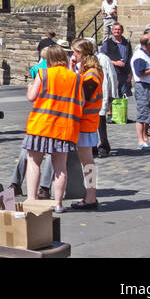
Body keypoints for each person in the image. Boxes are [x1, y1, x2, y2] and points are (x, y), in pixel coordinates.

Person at [23, 44, 81, 213]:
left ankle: (31, 199)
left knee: (34, 162)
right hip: (65, 126)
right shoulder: (75, 77)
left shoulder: (44, 74)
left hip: (42, 124)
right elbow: (81, 101)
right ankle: (58, 203)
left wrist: (28, 89)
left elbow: (32, 97)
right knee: (60, 167)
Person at [67, 39, 104, 210]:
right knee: (86, 161)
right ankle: (90, 195)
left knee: (87, 162)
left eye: (75, 52)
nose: (73, 55)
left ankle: (91, 196)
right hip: (87, 122)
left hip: (86, 122)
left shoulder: (91, 75)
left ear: (82, 53)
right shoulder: (89, 72)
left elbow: (82, 97)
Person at [131, 32, 150, 149]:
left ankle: (146, 138)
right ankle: (140, 140)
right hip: (143, 86)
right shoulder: (140, 56)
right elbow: (140, 73)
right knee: (142, 113)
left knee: (148, 113)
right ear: (147, 44)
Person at [96, 43, 117, 157]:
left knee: (100, 121)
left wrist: (111, 94)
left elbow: (110, 77)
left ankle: (104, 145)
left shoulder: (102, 59)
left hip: (99, 94)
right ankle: (92, 145)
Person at [101, 23, 132, 98]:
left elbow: (130, 57)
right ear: (112, 31)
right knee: (112, 95)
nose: (117, 31)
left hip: (124, 73)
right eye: (115, 29)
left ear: (122, 31)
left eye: (119, 29)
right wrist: (115, 62)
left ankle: (122, 109)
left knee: (124, 95)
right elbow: (102, 58)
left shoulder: (126, 43)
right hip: (112, 71)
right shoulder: (107, 43)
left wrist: (130, 73)